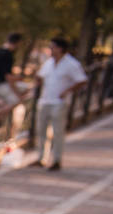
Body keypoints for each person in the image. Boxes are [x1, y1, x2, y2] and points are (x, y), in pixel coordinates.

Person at [35, 37, 88, 171]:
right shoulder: (48, 62)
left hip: (59, 102)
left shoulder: (71, 64)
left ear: (60, 48)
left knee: (57, 132)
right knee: (41, 131)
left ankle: (56, 160)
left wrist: (67, 91)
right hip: (45, 100)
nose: (50, 50)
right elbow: (40, 77)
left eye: (52, 47)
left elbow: (82, 80)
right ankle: (41, 158)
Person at [0, 32, 25, 107]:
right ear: (18, 43)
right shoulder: (7, 55)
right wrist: (19, 96)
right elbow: (8, 78)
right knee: (19, 97)